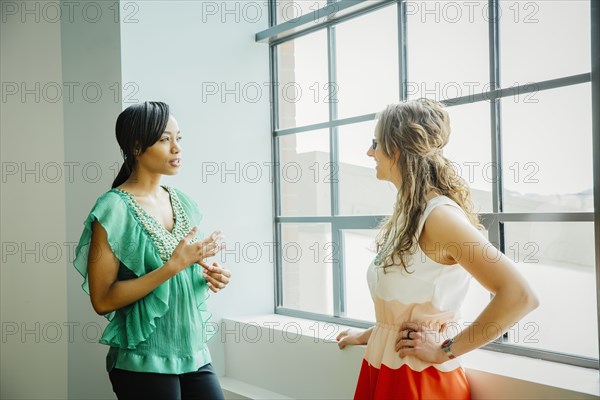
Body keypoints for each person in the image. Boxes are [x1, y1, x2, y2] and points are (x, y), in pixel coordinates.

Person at [336, 98, 539, 399]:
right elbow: (403, 311)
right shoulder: (409, 214)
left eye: (376, 143)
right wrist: (368, 335)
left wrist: (445, 350)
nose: (370, 152)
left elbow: (520, 296)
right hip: (385, 368)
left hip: (419, 381)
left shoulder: (440, 217)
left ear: (397, 149)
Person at [73, 101, 231, 400]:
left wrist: (212, 274)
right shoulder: (113, 208)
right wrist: (171, 267)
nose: (177, 149)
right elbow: (103, 300)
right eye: (164, 139)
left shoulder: (183, 202)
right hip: (144, 361)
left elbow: (187, 271)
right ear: (136, 147)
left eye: (178, 139)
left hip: (194, 353)